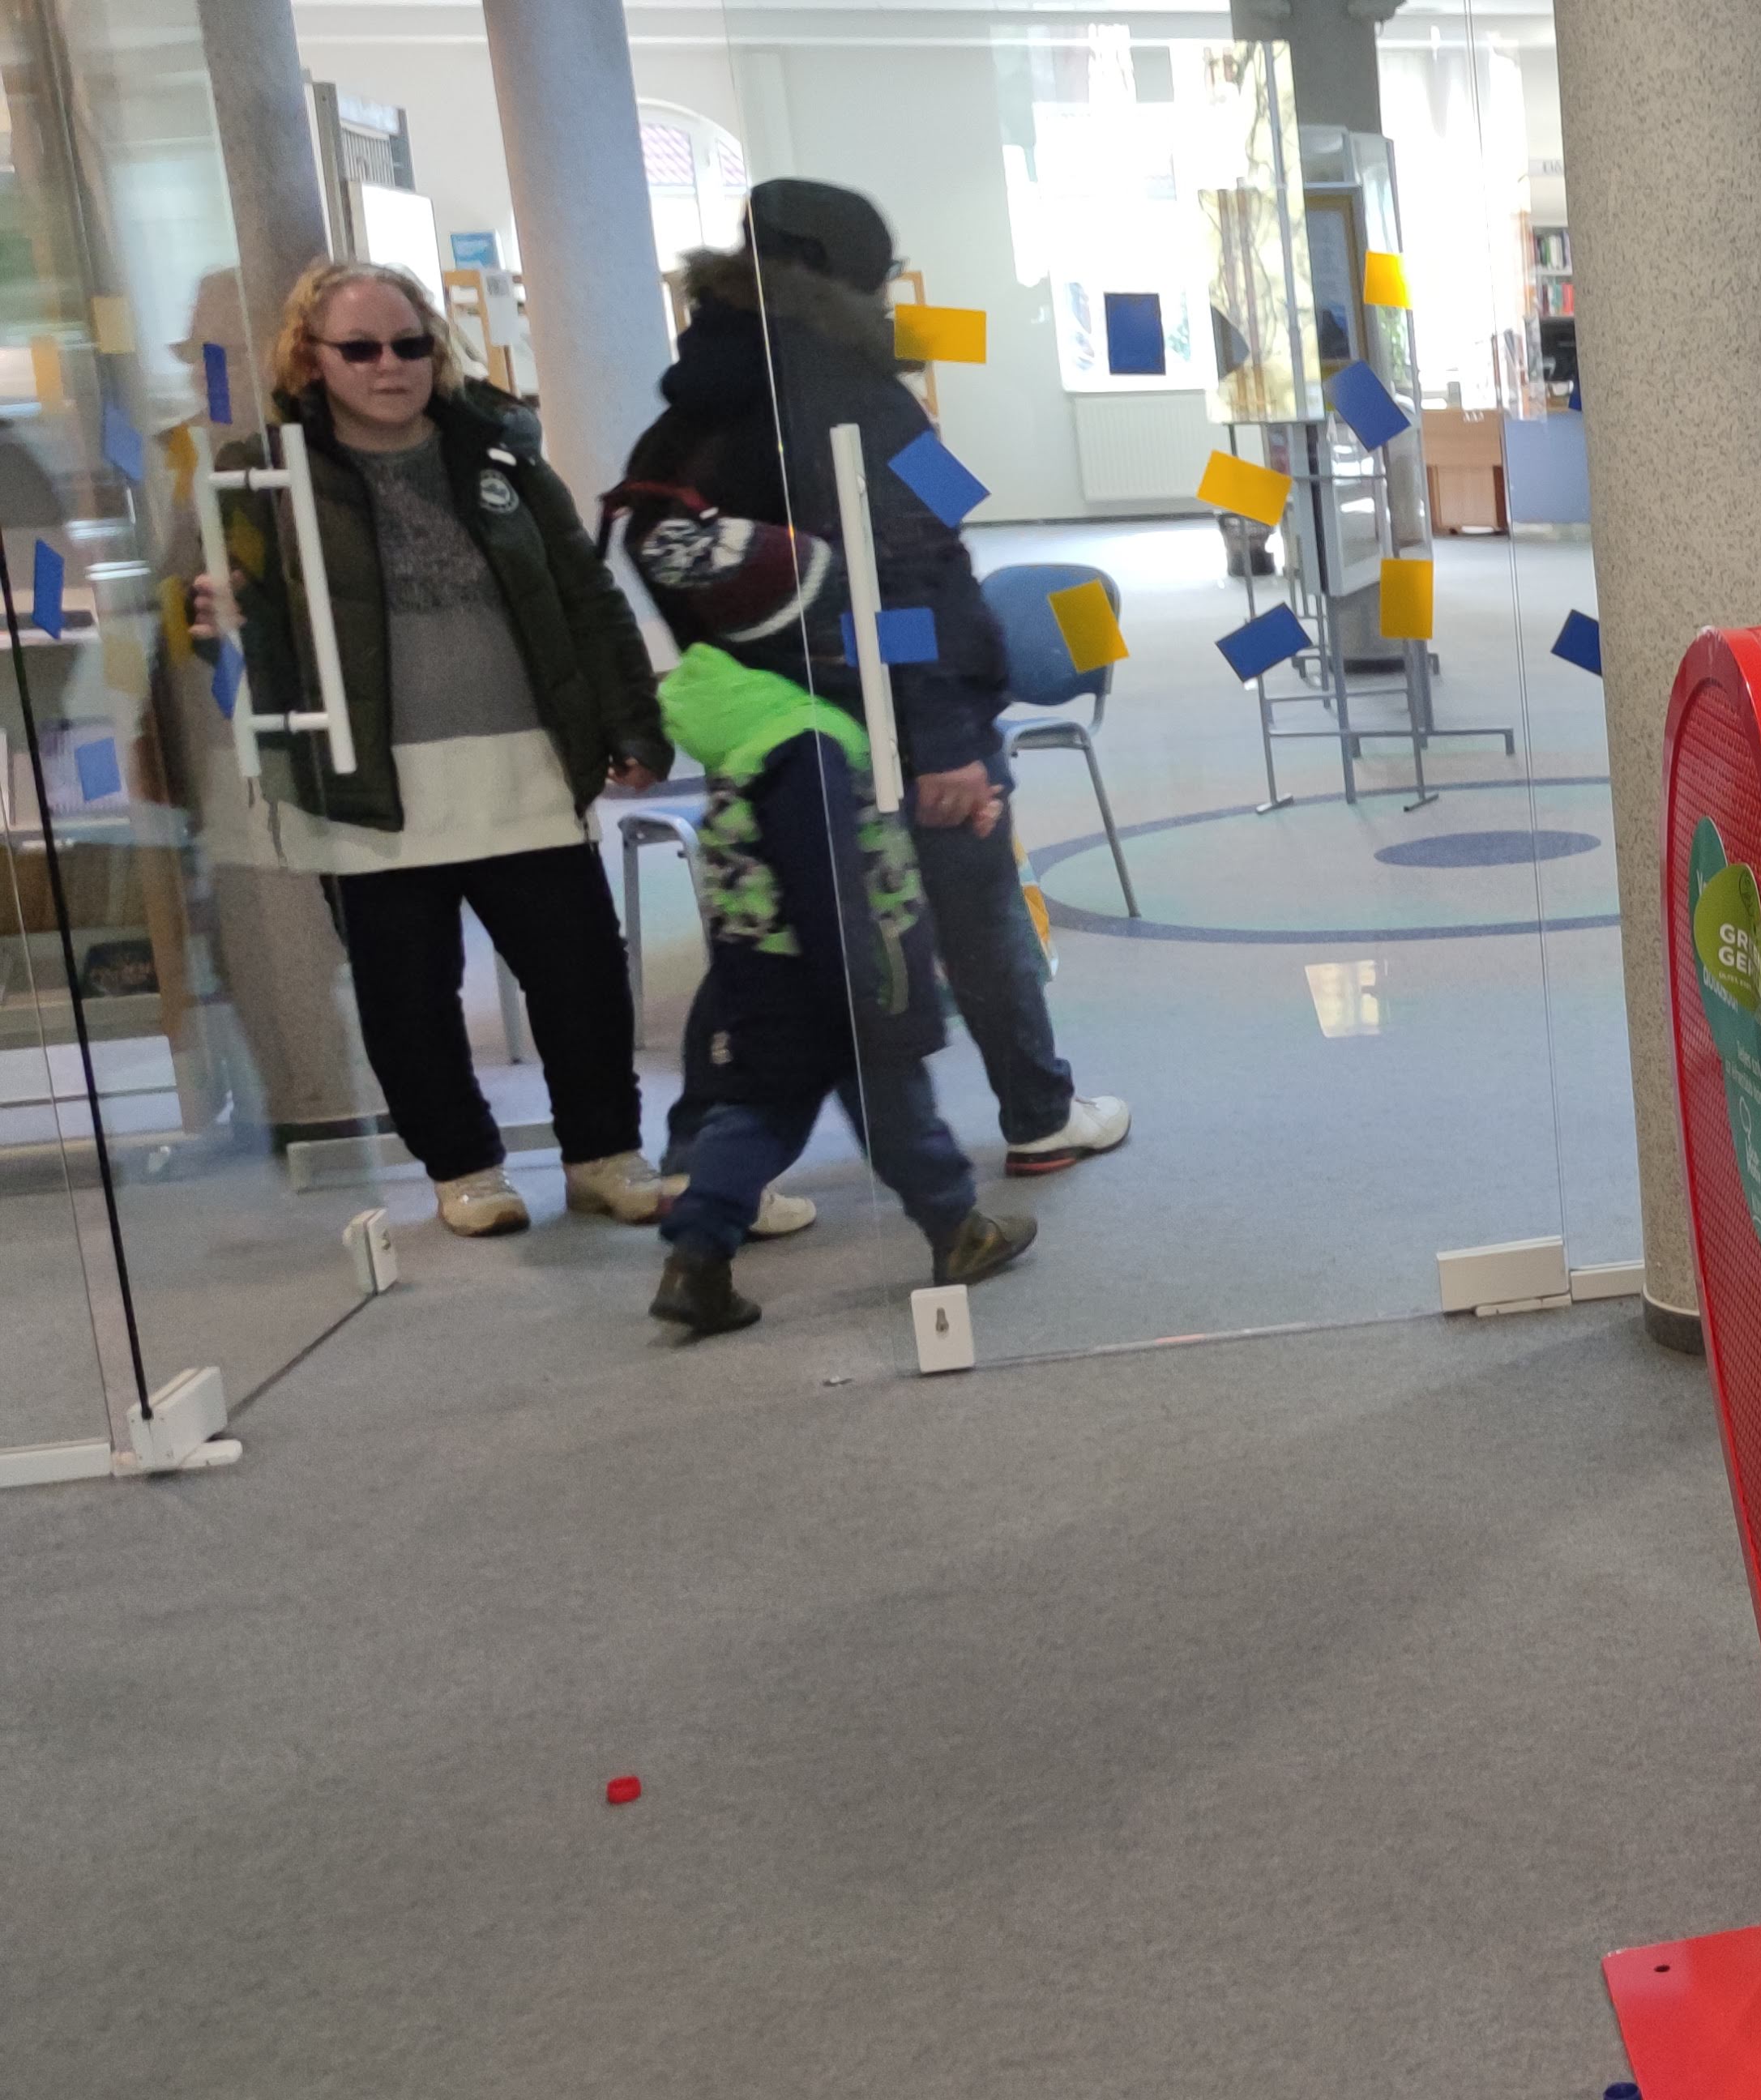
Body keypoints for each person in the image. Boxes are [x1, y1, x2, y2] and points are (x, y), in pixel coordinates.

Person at [626, 178, 1130, 1178]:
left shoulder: (698, 393)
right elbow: (921, 567)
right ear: (848, 274)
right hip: (895, 714)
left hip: (770, 720)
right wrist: (946, 741)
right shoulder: (860, 392)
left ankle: (702, 1157)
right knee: (976, 913)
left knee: (765, 937)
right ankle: (1038, 1113)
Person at [197, 259, 671, 1238]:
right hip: (368, 784)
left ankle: (604, 1154)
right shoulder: (264, 477)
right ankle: (464, 1169)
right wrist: (218, 623)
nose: (390, 366)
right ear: (311, 358)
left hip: (526, 768)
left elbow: (587, 597)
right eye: (360, 348)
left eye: (410, 344)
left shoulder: (502, 456)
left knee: (581, 974)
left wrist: (633, 723)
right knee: (408, 995)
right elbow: (229, 634)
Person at [639, 638, 1035, 1334]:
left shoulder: (747, 739)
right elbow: (827, 875)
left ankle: (695, 1258)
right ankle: (958, 1229)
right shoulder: (807, 744)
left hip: (760, 968)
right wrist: (863, 989)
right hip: (839, 968)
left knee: (756, 1114)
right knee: (899, 1108)